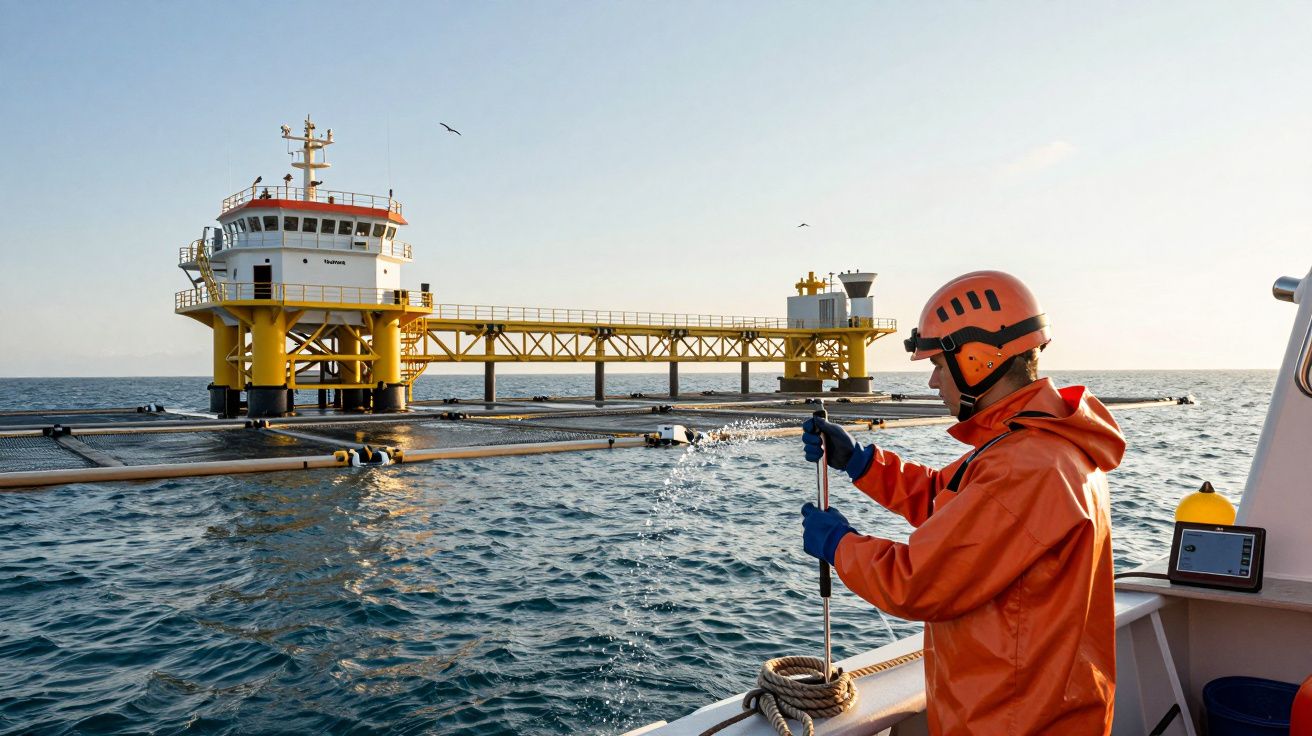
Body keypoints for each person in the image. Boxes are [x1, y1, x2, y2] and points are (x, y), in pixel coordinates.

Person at [800, 270, 1125, 736]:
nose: (933, 382)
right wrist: (860, 461)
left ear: (977, 358)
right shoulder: (1038, 446)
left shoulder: (1025, 467)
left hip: (1014, 721)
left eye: (937, 364)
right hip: (1036, 710)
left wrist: (839, 544)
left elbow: (917, 582)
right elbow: (944, 500)